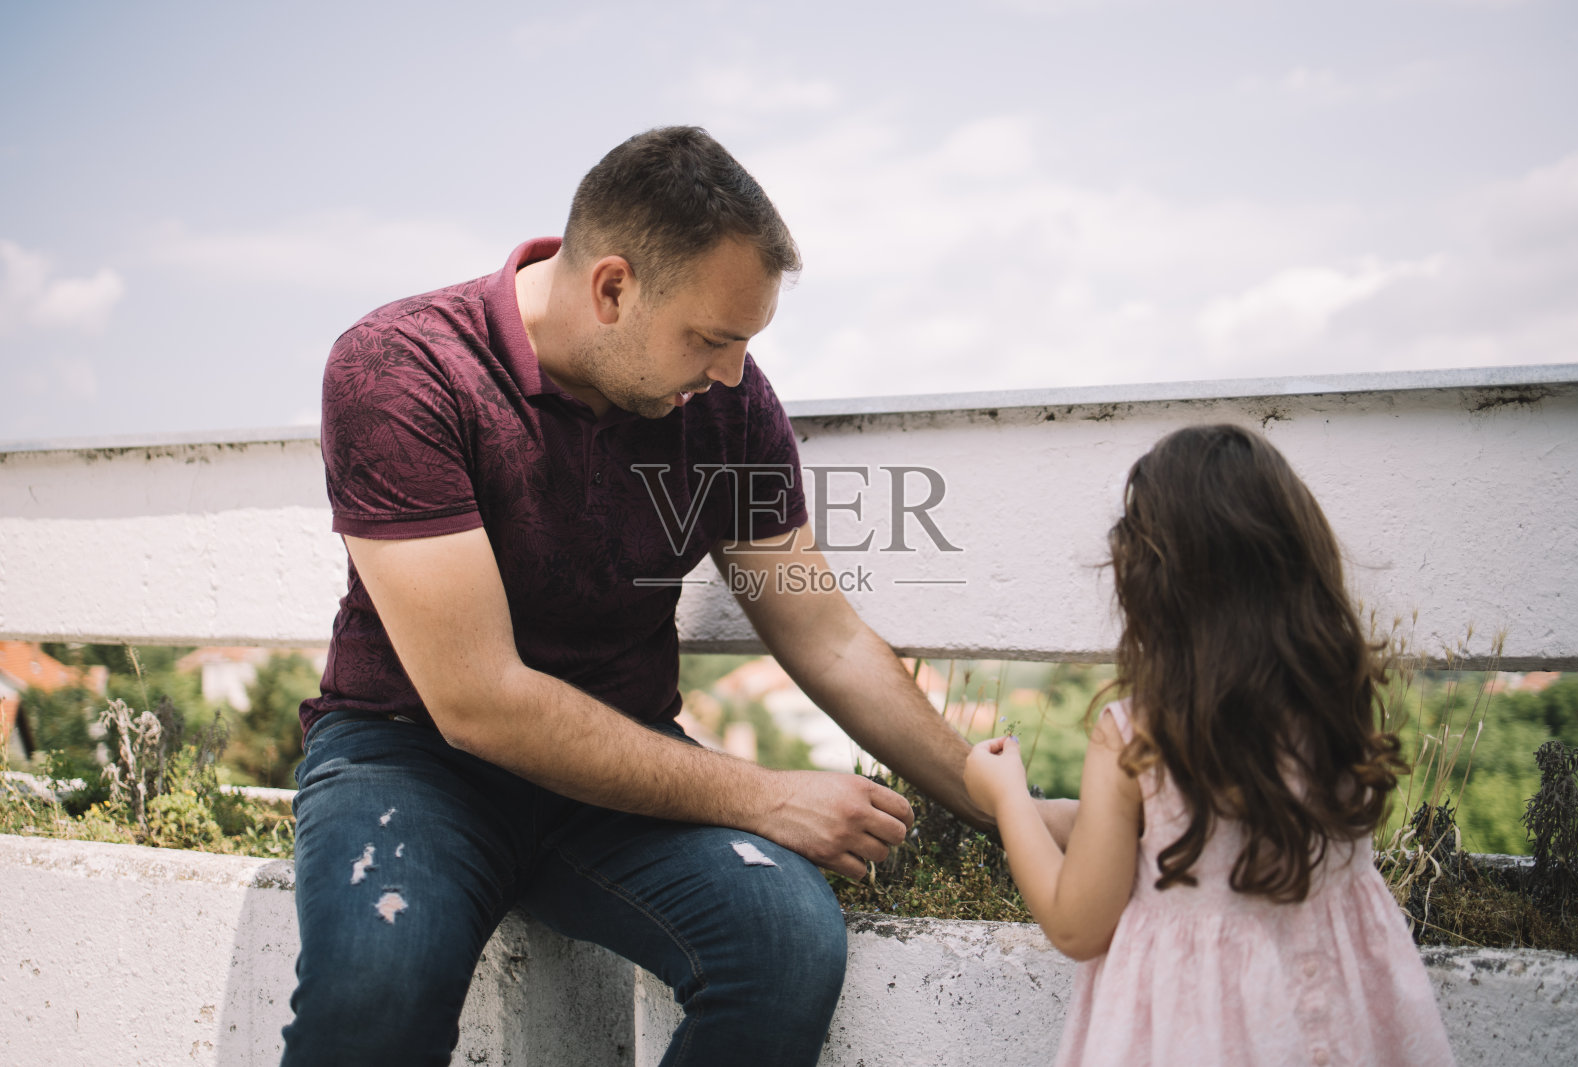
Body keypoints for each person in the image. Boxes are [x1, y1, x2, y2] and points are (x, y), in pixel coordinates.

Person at [284, 126, 1073, 1067]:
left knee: (786, 943)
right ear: (612, 287)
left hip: (620, 766)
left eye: (746, 340)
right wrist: (766, 798)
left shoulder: (727, 405)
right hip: (411, 758)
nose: (732, 371)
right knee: (378, 983)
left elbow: (824, 636)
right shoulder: (401, 368)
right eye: (712, 336)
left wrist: (1006, 806)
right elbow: (480, 701)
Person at [965, 424, 1456, 1066]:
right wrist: (1049, 812)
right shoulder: (1334, 703)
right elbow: (1182, 833)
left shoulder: (1138, 736)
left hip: (1196, 1028)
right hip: (1338, 1020)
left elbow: (1076, 925)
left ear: (1152, 589)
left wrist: (1007, 801)